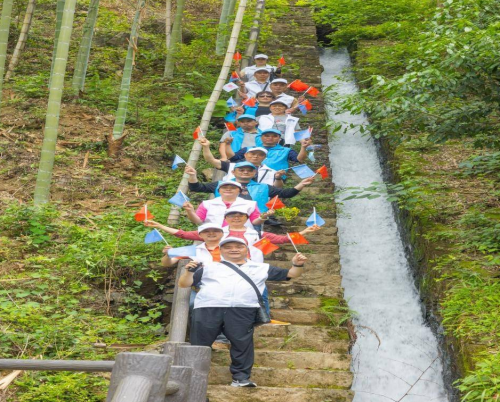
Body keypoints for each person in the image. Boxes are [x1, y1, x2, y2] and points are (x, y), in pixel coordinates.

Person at [179, 237, 308, 387]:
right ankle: (193, 380)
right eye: (228, 247)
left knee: (242, 344)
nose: (234, 249)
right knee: (199, 345)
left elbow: (291, 274)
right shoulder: (208, 267)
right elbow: (184, 284)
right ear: (220, 251)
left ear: (247, 249)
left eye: (238, 246)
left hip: (243, 308)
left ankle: (240, 378)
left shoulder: (261, 268)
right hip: (207, 307)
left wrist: (297, 264)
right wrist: (189, 272)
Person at [185, 162, 315, 213]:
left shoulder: (264, 187)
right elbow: (197, 188)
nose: (245, 172)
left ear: (255, 173)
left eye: (249, 170)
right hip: (223, 218)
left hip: (254, 220)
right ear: (233, 172)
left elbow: (287, 193)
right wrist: (192, 176)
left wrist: (302, 184)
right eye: (241, 170)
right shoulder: (221, 184)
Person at [199, 137, 280, 187]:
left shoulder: (271, 172)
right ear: (245, 155)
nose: (255, 156)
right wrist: (206, 147)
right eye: (252, 154)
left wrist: (278, 178)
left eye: (260, 155)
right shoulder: (232, 166)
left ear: (265, 157)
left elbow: (277, 188)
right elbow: (211, 160)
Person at [182, 180, 268, 227]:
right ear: (219, 191)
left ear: (239, 191)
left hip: (241, 236)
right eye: (224, 187)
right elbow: (198, 220)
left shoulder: (250, 204)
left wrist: (263, 217)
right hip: (213, 235)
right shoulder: (207, 204)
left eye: (232, 188)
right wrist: (190, 211)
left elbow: (255, 222)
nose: (228, 189)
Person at [227, 128, 312, 174]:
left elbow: (299, 159)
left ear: (279, 138)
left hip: (276, 178)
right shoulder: (249, 149)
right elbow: (232, 158)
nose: (270, 138)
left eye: (274, 136)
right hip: (250, 177)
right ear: (261, 137)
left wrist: (303, 147)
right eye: (266, 136)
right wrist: (227, 145)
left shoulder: (286, 150)